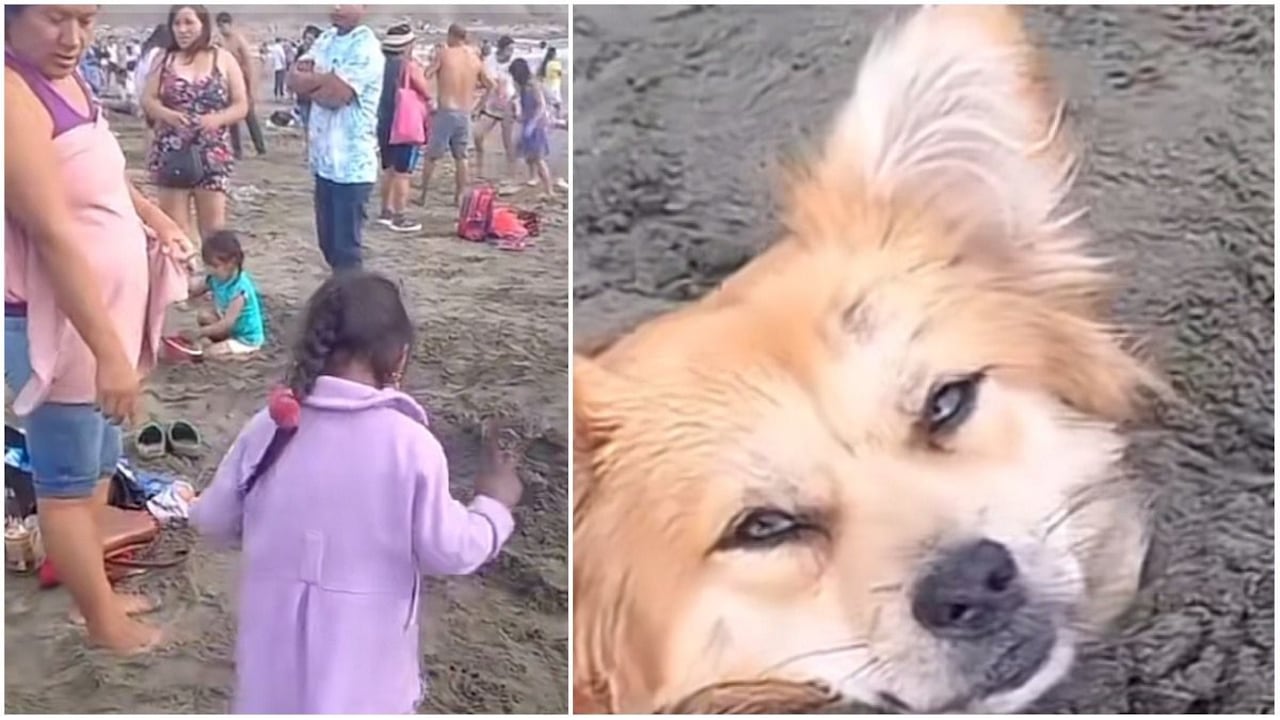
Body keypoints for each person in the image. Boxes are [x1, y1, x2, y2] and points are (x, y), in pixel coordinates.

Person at [189, 271, 523, 713]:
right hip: (367, 690)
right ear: (399, 358)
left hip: (269, 686)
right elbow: (450, 551)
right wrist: (493, 506)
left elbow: (213, 520)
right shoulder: (410, 444)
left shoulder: (268, 427)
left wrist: (203, 507)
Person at [5, 3, 194, 654]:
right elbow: (53, 235)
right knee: (64, 486)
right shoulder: (12, 96)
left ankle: (97, 599)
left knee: (96, 469)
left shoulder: (70, 79)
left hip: (104, 319)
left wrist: (155, 219)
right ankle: (102, 625)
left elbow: (104, 177)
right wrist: (109, 354)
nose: (74, 37)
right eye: (55, 18)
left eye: (86, 19)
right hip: (63, 330)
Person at [288, 5, 384, 273]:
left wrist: (314, 83)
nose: (336, 6)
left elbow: (335, 96)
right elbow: (294, 80)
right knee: (328, 245)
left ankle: (351, 296)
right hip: (323, 163)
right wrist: (325, 80)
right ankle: (342, 291)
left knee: (347, 251)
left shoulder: (366, 47)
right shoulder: (325, 39)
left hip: (351, 167)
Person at [142, 4, 248, 242]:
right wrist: (167, 115)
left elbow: (241, 104)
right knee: (176, 234)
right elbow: (148, 99)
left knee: (214, 233)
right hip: (172, 154)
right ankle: (183, 268)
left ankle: (213, 268)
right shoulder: (164, 59)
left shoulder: (223, 59)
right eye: (177, 23)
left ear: (203, 25)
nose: (182, 29)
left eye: (189, 22)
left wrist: (217, 119)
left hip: (212, 156)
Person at [417, 24, 492, 209]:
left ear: (451, 36)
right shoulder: (474, 58)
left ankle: (423, 195)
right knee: (461, 157)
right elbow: (490, 85)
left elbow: (426, 74)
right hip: (465, 112)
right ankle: (458, 197)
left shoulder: (445, 53)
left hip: (446, 111)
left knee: (432, 156)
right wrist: (479, 106)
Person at [375, 23, 430, 233]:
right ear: (406, 45)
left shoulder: (380, 64)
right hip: (404, 124)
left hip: (384, 121)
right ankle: (400, 217)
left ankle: (385, 211)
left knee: (388, 169)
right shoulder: (408, 66)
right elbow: (425, 90)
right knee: (402, 172)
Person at [184, 230, 265, 357]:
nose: (210, 270)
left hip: (245, 339)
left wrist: (199, 333)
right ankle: (220, 342)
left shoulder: (240, 290)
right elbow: (195, 289)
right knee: (203, 315)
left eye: (215, 266)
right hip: (232, 329)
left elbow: (226, 324)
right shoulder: (216, 278)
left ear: (231, 263)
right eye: (208, 266)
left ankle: (243, 354)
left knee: (209, 353)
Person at [216, 11, 266, 157]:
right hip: (228, 83)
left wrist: (251, 89)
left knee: (249, 116)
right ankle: (237, 150)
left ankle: (260, 148)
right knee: (232, 117)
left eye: (224, 25)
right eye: (220, 26)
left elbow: (249, 65)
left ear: (229, 25)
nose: (222, 29)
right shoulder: (220, 42)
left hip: (242, 81)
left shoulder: (238, 41)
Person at [473, 34, 517, 179]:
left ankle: (511, 172)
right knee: (478, 135)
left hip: (508, 105)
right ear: (501, 49)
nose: (511, 52)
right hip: (492, 104)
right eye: (509, 49)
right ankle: (480, 167)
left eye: (513, 49)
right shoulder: (490, 61)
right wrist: (479, 107)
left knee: (507, 141)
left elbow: (519, 83)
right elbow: (488, 85)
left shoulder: (514, 62)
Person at [509, 58, 554, 198]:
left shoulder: (533, 85)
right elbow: (521, 102)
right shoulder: (522, 86)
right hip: (527, 121)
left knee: (538, 158)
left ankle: (549, 190)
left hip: (536, 124)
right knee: (526, 153)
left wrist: (532, 124)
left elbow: (541, 106)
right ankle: (532, 177)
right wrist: (520, 114)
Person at [292, 25, 322, 130]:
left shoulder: (320, 56)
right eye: (306, 38)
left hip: (315, 97)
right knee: (306, 125)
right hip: (302, 96)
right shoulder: (300, 53)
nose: (307, 42)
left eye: (310, 39)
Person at [539, 46, 563, 120]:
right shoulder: (556, 64)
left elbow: (540, 76)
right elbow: (559, 75)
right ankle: (557, 118)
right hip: (554, 86)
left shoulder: (544, 64)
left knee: (549, 105)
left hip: (546, 86)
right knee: (558, 105)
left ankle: (550, 118)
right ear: (554, 54)